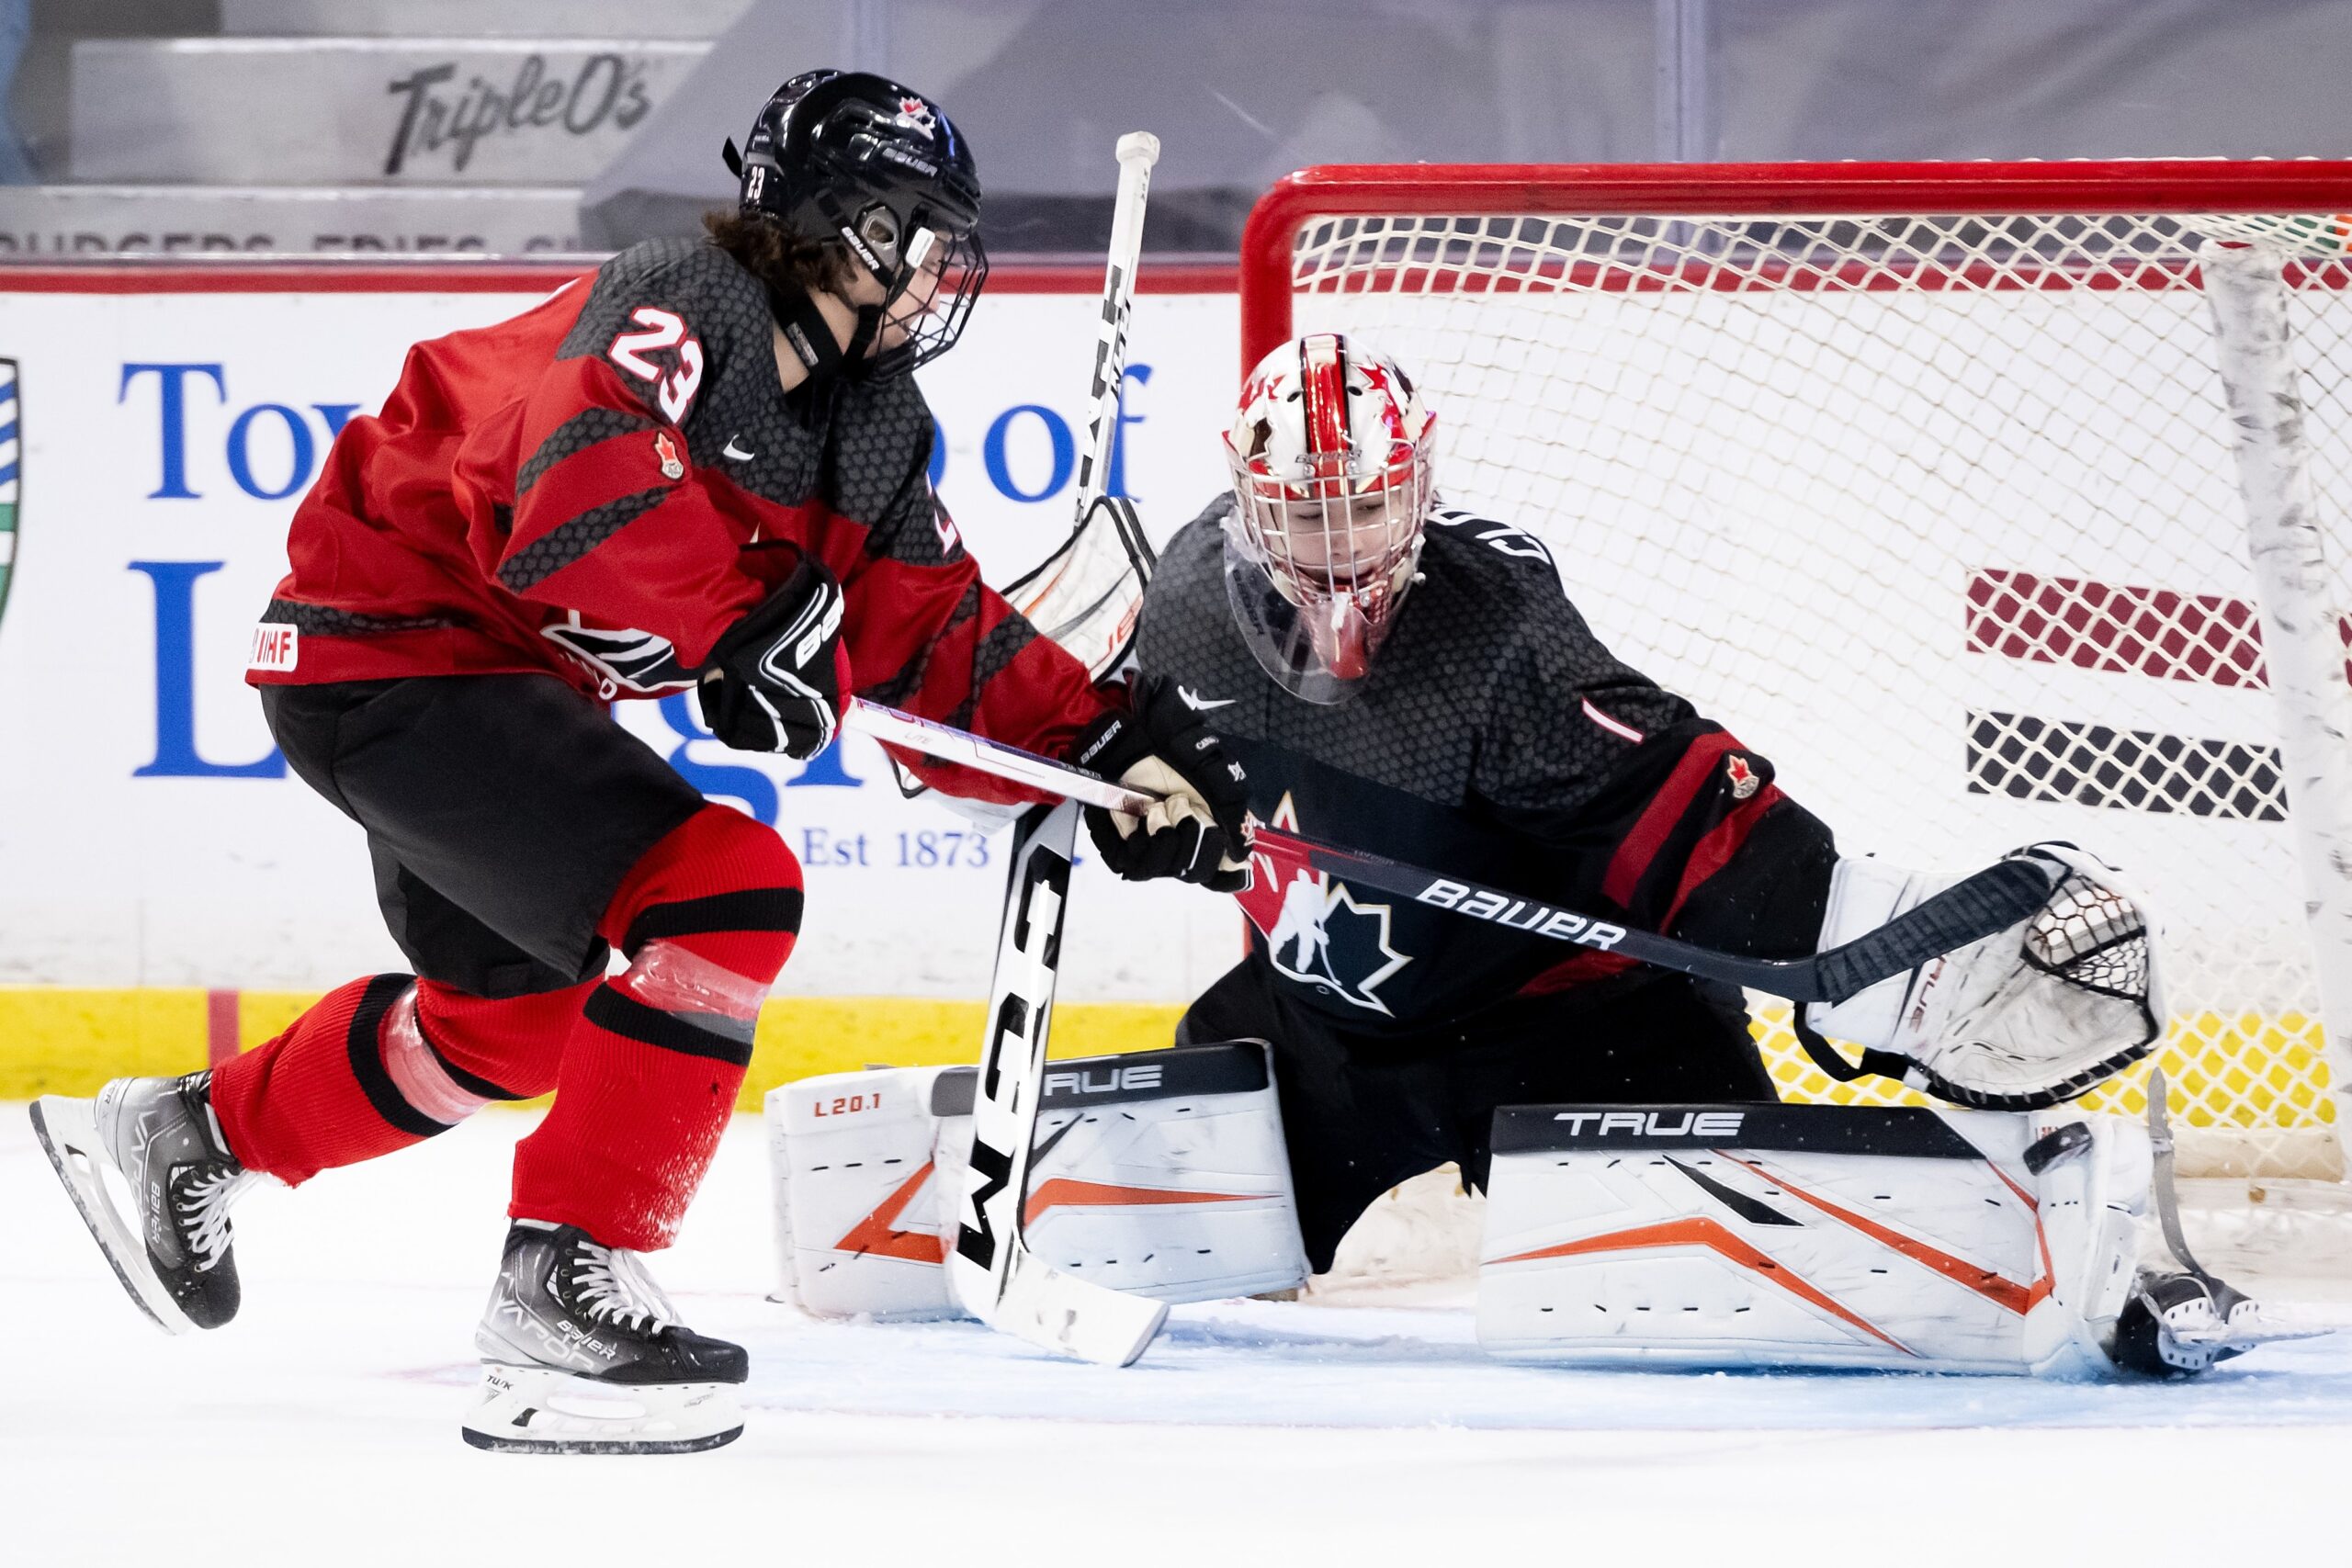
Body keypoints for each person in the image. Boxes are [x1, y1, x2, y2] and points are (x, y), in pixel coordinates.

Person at [29, 69, 1246, 1455]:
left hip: (474, 677)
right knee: (726, 886)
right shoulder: (685, 297)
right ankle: (564, 1279)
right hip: (397, 643)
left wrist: (1099, 749)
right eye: (917, 231)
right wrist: (733, 629)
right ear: (842, 225)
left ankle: (198, 1132)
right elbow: (581, 480)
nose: (936, 274)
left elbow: (935, 637)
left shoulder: (872, 428)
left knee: (513, 1020)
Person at [1134, 333, 2152, 1280]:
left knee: (1763, 1271)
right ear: (1247, 501)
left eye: (1366, 507)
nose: (1339, 548)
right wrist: (1135, 787)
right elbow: (1120, 744)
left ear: (1420, 485)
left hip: (1568, 1033)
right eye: (1307, 516)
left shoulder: (1495, 627)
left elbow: (1682, 814)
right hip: (1318, 1032)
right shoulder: (1185, 599)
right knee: (1144, 1258)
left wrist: (1873, 948)